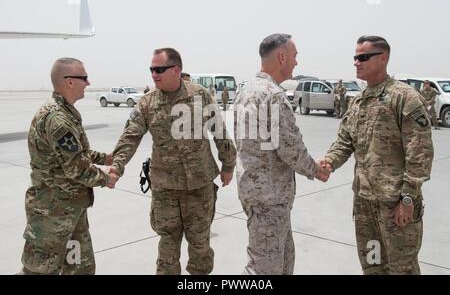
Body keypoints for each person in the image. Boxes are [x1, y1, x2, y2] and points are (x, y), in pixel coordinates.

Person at [110, 48, 236, 275]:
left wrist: (228, 164)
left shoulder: (200, 95)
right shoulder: (147, 103)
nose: (154, 74)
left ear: (176, 70)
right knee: (167, 247)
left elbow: (220, 131)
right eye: (151, 70)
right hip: (166, 189)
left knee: (200, 246)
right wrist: (117, 167)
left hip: (199, 187)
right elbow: (130, 137)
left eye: (159, 69)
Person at [321, 36, 434, 274]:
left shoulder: (404, 97)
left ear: (383, 58)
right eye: (355, 57)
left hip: (395, 204)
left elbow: (420, 152)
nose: (356, 62)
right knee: (372, 265)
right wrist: (329, 161)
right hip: (364, 204)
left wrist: (408, 198)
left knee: (402, 268)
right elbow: (345, 141)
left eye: (363, 57)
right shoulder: (358, 101)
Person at [234, 33, 330, 275]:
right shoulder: (272, 95)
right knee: (264, 271)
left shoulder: (246, 91)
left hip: (260, 194)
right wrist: (316, 170)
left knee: (283, 264)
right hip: (269, 198)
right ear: (282, 56)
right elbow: (290, 148)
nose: (297, 62)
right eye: (295, 56)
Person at [19, 57, 119, 275]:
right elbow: (76, 167)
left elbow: (75, 153)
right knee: (39, 271)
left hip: (70, 210)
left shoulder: (65, 113)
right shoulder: (57, 119)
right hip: (51, 214)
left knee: (80, 268)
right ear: (70, 82)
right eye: (84, 77)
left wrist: (104, 158)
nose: (89, 83)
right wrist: (106, 178)